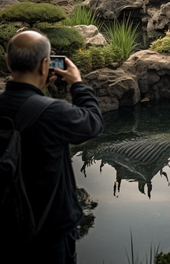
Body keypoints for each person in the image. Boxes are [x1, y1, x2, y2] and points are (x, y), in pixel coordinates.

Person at [0, 30, 104, 263]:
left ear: (8, 63)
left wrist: (37, 91)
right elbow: (94, 123)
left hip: (7, 232)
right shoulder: (53, 112)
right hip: (48, 237)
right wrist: (77, 83)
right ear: (46, 64)